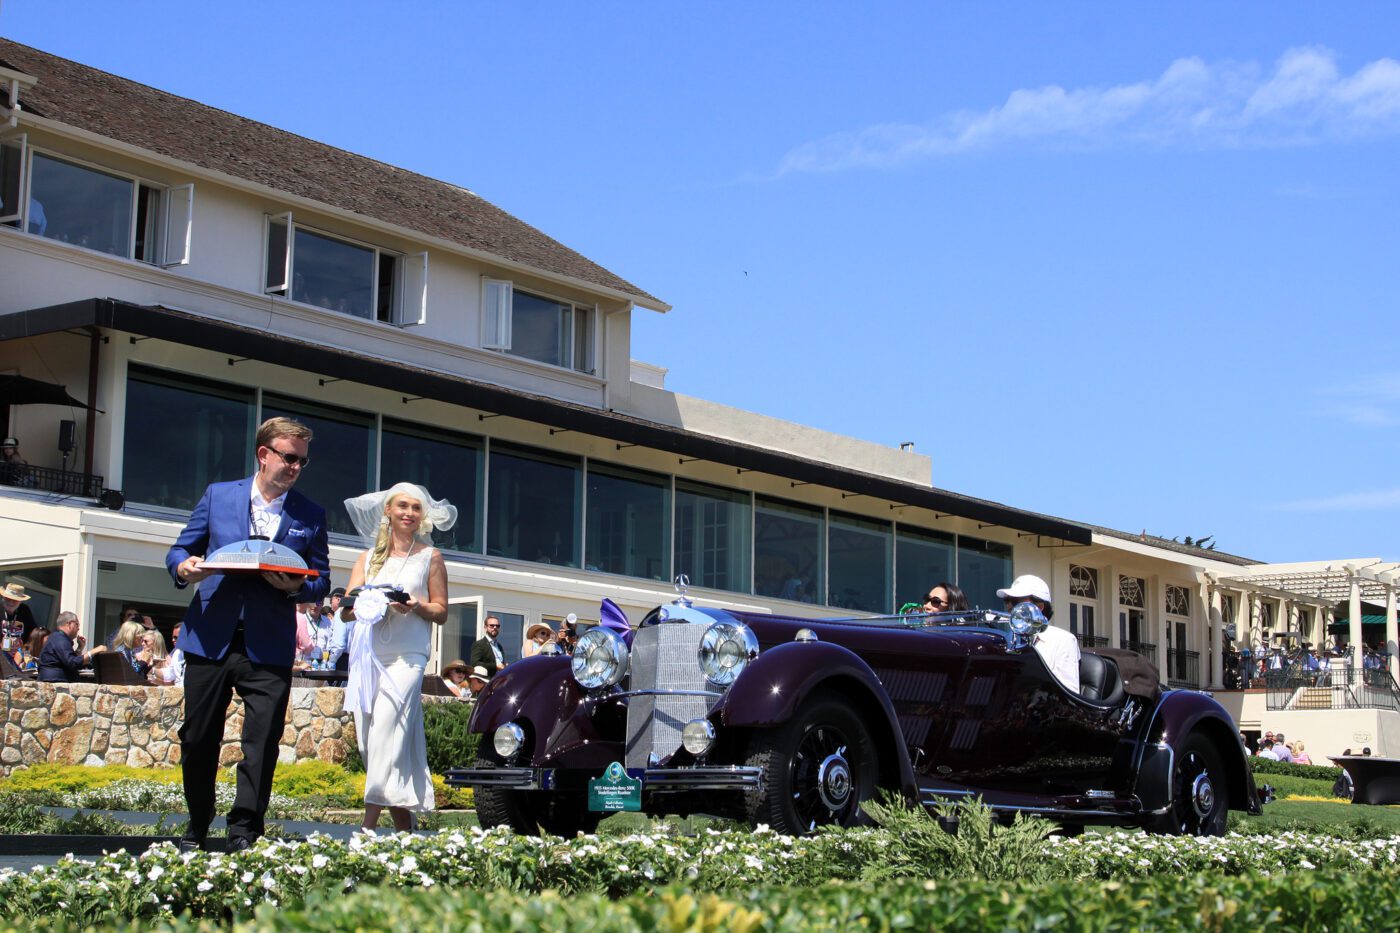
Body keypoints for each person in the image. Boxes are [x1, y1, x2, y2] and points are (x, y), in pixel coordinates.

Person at [165, 416, 330, 853]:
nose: (295, 467)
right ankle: (197, 822)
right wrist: (184, 567)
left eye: (302, 461)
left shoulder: (311, 514)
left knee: (261, 743)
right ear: (264, 454)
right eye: (289, 457)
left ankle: (244, 830)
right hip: (210, 638)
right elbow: (180, 549)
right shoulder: (218, 496)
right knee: (198, 737)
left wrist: (296, 587)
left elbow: (321, 581)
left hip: (269, 643)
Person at [342, 482, 454, 833]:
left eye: (416, 508)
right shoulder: (367, 558)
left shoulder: (430, 557)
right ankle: (405, 829)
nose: (409, 512)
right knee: (373, 741)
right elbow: (345, 610)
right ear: (388, 511)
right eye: (403, 506)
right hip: (369, 656)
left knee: (387, 733)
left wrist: (416, 605)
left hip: (408, 656)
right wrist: (365, 603)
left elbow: (441, 611)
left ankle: (367, 827)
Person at [998, 574, 1080, 694]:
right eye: (1007, 600)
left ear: (1039, 607)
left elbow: (1070, 692)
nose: (1009, 606)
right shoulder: (1008, 639)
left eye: (1015, 601)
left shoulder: (1063, 640)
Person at [37, 611, 105, 682]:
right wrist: (95, 651)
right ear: (69, 624)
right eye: (77, 624)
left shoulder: (58, 638)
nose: (78, 628)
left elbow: (68, 659)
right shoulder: (60, 639)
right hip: (55, 683)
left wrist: (80, 647)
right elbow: (72, 662)